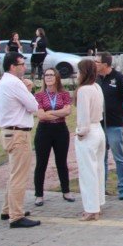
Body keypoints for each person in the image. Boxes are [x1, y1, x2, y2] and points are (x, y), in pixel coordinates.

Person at [0, 52, 40, 228]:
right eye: (21, 64)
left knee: (14, 173)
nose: (24, 67)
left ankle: (8, 209)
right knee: (19, 176)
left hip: (10, 132)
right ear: (13, 66)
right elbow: (33, 106)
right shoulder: (14, 83)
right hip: (18, 133)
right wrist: (28, 90)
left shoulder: (4, 82)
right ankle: (16, 215)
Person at [33, 68, 74, 207]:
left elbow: (68, 111)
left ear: (57, 77)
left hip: (60, 130)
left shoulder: (64, 94)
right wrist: (58, 113)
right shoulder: (38, 95)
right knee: (41, 163)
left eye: (51, 75)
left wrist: (51, 112)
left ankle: (66, 191)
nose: (48, 77)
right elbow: (41, 115)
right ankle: (39, 194)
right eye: (46, 75)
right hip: (44, 131)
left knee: (61, 162)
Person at [74, 59, 106, 221]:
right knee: (98, 168)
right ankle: (98, 203)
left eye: (79, 71)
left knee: (88, 172)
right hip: (99, 130)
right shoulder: (97, 87)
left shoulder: (84, 90)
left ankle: (91, 208)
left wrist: (80, 132)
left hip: (89, 132)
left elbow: (83, 115)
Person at [95, 51, 123, 200]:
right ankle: (101, 187)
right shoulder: (95, 79)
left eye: (97, 62)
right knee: (101, 157)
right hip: (98, 124)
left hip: (115, 123)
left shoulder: (119, 78)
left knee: (119, 157)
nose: (95, 64)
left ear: (105, 64)